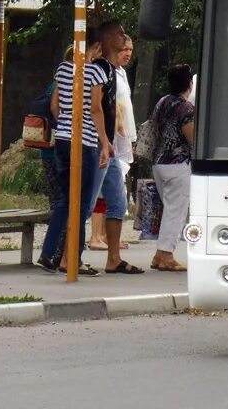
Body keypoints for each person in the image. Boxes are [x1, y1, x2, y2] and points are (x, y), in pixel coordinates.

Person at [37, 29, 110, 275]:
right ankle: (70, 259)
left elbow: (54, 105)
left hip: (63, 140)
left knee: (66, 199)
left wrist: (66, 124)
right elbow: (96, 108)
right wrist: (105, 141)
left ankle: (48, 253)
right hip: (85, 140)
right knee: (81, 202)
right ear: (97, 46)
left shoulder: (63, 68)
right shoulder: (96, 71)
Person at [89, 32, 135, 253]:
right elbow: (102, 107)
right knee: (92, 197)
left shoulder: (120, 73)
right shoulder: (101, 70)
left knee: (117, 197)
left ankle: (113, 254)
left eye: (129, 50)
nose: (126, 53)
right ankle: (84, 244)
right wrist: (110, 136)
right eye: (123, 49)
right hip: (103, 141)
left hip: (114, 143)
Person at [148, 63, 196, 272]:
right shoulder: (186, 108)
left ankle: (159, 254)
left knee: (169, 209)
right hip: (177, 164)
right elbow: (192, 137)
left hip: (159, 162)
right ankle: (167, 256)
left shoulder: (162, 102)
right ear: (190, 84)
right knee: (176, 211)